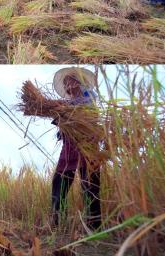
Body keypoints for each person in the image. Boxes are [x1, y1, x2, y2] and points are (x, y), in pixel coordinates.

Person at [50, 67, 102, 230]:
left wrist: (65, 111)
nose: (66, 86)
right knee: (59, 183)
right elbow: (61, 126)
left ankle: (94, 225)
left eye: (68, 82)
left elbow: (89, 115)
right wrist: (59, 119)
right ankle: (57, 223)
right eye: (64, 83)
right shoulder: (64, 104)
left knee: (90, 185)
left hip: (87, 147)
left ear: (78, 82)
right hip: (69, 149)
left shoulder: (89, 97)